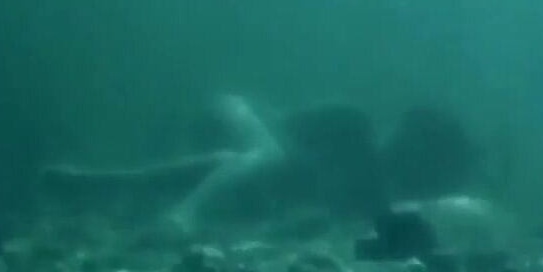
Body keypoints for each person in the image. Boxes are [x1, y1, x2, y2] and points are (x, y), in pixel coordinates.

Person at [41, 95, 475, 235]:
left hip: (240, 160)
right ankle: (184, 213)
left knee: (237, 164)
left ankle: (100, 188)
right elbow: (277, 128)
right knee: (266, 157)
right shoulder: (352, 125)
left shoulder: (378, 196)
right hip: (235, 113)